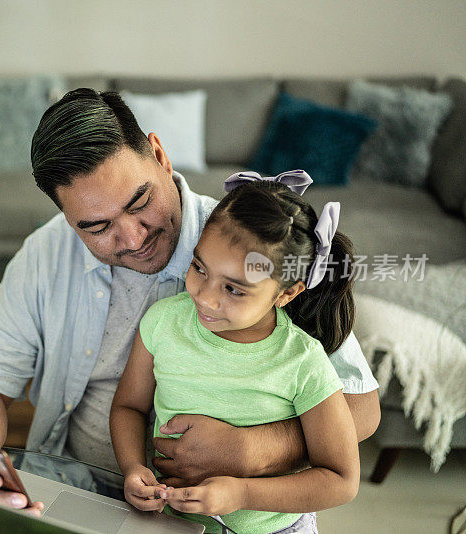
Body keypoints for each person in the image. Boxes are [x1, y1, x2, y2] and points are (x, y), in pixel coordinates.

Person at [0, 89, 380, 515]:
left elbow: (361, 407)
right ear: (66, 216)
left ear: (159, 154)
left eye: (140, 201)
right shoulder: (46, 253)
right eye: (97, 227)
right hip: (81, 491)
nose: (134, 238)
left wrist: (252, 449)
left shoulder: (252, 247)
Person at [111, 173, 359, 534]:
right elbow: (128, 408)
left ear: (285, 294)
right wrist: (133, 467)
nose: (206, 297)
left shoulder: (303, 361)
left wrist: (242, 493)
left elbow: (340, 479)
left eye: (234, 289)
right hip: (173, 522)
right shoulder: (162, 323)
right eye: (199, 268)